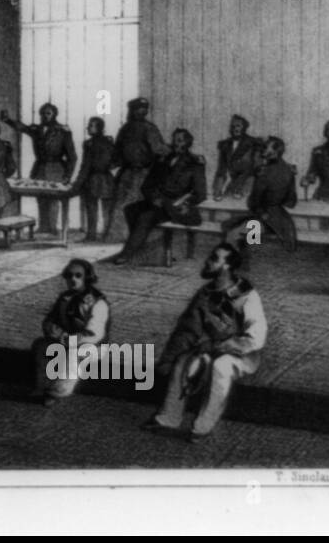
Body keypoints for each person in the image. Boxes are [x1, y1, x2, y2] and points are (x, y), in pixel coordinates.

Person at [145, 244, 265, 441]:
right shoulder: (205, 294)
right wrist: (168, 359)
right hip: (212, 349)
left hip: (243, 355)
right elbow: (187, 330)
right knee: (183, 361)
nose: (208, 262)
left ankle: (202, 428)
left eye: (214, 259)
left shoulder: (247, 295)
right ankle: (168, 418)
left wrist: (221, 346)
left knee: (221, 367)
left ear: (226, 266)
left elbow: (256, 336)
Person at [113, 128, 208, 265]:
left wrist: (183, 203)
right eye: (174, 140)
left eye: (180, 140)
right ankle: (143, 248)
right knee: (130, 209)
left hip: (175, 207)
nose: (176, 144)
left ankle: (127, 254)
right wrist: (154, 198)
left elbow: (200, 194)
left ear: (188, 143)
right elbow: (146, 186)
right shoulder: (162, 160)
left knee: (146, 217)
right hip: (157, 202)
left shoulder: (195, 163)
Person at [29, 259, 110, 405]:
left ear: (87, 277)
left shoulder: (97, 302)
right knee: (41, 345)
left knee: (75, 352)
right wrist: (51, 329)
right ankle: (42, 387)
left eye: (78, 275)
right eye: (69, 275)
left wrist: (67, 339)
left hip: (91, 346)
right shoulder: (65, 297)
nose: (73, 279)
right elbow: (50, 320)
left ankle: (58, 391)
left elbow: (94, 334)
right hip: (64, 341)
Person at [2, 102, 77, 234]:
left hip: (56, 169)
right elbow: (22, 127)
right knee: (41, 198)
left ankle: (53, 228)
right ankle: (44, 226)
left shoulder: (63, 131)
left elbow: (72, 156)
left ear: (54, 114)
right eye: (42, 114)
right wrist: (8, 120)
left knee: (53, 200)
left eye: (48, 113)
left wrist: (67, 176)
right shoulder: (37, 130)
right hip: (39, 168)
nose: (44, 116)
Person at [220, 137, 298, 253]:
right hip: (282, 222)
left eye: (266, 147)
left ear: (275, 152)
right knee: (237, 227)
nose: (263, 150)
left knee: (232, 234)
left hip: (264, 219)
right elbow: (291, 201)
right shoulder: (289, 170)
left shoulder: (263, 172)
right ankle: (249, 255)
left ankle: (242, 261)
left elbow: (253, 203)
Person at [108, 97, 168, 241]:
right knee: (120, 204)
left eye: (144, 108)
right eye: (138, 108)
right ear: (133, 110)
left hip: (143, 174)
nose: (141, 111)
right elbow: (118, 150)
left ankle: (136, 238)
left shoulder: (150, 128)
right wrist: (112, 164)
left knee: (137, 205)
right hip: (127, 173)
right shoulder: (125, 128)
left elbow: (159, 149)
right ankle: (117, 237)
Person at [71, 116, 116, 241]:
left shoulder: (89, 144)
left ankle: (92, 235)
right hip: (106, 179)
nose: (88, 127)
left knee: (93, 208)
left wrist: (77, 183)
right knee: (104, 209)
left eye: (91, 125)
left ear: (99, 128)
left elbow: (85, 166)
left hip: (94, 179)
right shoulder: (109, 141)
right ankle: (106, 235)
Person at [213, 114, 262, 199]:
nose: (235, 129)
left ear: (244, 127)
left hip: (251, 184)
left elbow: (257, 168)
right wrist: (217, 190)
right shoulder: (225, 145)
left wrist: (243, 189)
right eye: (232, 126)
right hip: (234, 184)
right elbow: (221, 171)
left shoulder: (254, 143)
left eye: (238, 126)